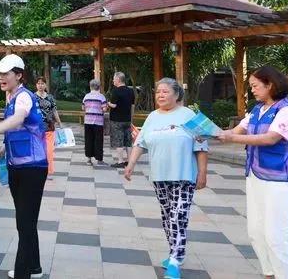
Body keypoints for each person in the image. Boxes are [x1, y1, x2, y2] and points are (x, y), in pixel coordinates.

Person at [219, 66, 288, 279]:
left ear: (270, 84)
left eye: (255, 86)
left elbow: (271, 138)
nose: (252, 90)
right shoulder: (257, 109)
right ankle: (269, 273)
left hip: (279, 180)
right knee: (256, 231)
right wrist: (209, 132)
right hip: (255, 176)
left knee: (277, 235)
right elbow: (235, 131)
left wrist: (232, 138)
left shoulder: (287, 110)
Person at [124, 78, 208, 279]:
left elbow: (202, 146)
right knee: (167, 217)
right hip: (159, 176)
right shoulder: (152, 117)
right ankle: (175, 253)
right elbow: (140, 143)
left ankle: (175, 261)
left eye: (165, 91)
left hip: (184, 176)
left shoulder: (190, 115)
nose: (160, 95)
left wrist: (203, 173)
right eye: (157, 92)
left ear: (177, 94)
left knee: (178, 217)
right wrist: (130, 164)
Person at [0, 54, 48, 279]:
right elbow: (20, 129)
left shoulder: (24, 96)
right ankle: (34, 267)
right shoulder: (11, 96)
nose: (1, 77)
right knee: (26, 221)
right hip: (17, 165)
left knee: (25, 222)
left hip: (32, 168)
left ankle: (23, 273)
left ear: (19, 75)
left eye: (5, 73)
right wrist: (5, 147)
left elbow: (18, 119)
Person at [107, 72, 135, 168]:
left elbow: (114, 105)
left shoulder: (116, 91)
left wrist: (108, 103)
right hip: (127, 119)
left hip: (116, 120)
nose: (113, 80)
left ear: (118, 79)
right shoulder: (130, 91)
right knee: (128, 141)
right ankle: (129, 161)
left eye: (114, 79)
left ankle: (120, 161)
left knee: (118, 141)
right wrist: (131, 118)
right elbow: (132, 106)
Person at [34, 76, 62, 176]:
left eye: (42, 83)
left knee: (49, 151)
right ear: (36, 85)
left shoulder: (50, 97)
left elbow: (54, 110)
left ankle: (49, 171)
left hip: (50, 127)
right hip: (37, 129)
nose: (40, 85)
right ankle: (39, 170)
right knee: (39, 151)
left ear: (45, 85)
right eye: (38, 83)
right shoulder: (32, 97)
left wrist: (59, 122)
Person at [82, 79, 107, 165]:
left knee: (88, 139)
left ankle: (89, 159)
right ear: (99, 87)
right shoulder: (101, 97)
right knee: (98, 140)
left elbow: (83, 108)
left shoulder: (86, 96)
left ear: (90, 87)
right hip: (98, 122)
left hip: (88, 121)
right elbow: (104, 109)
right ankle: (99, 159)